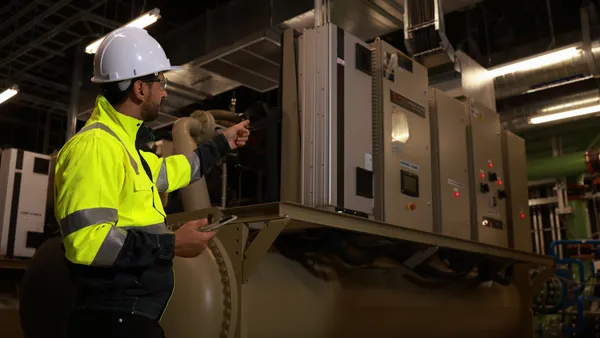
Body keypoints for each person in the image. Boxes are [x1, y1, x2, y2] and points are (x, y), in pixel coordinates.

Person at [53, 26, 250, 338]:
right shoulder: (95, 147)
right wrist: (171, 245)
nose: (165, 91)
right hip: (111, 320)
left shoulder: (125, 147)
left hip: (127, 317)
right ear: (140, 89)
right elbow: (87, 243)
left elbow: (176, 170)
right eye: (161, 82)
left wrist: (223, 143)